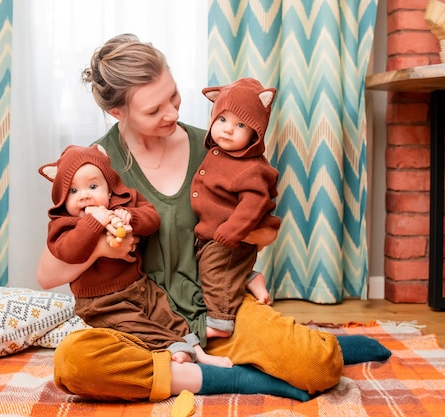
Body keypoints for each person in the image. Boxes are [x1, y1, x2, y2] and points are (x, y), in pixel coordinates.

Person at [36, 33, 389, 403]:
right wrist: (101, 252)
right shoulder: (94, 168)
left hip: (219, 310)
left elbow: (262, 228)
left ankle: (287, 350)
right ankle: (224, 377)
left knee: (317, 366)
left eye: (173, 96)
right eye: (154, 110)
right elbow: (47, 275)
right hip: (141, 327)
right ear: (117, 112)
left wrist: (242, 263)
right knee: (75, 364)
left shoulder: (219, 149)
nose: (172, 113)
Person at [38, 143, 232, 368]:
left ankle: (199, 353)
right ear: (62, 198)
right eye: (73, 191)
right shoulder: (63, 225)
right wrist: (94, 222)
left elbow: (152, 218)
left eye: (93, 186)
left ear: (109, 190)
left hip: (139, 285)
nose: (84, 197)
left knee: (169, 316)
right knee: (137, 326)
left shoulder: (122, 203)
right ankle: (174, 351)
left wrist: (130, 216)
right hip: (101, 302)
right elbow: (70, 251)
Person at [191, 78, 281, 339]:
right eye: (222, 120)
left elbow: (254, 204)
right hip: (212, 233)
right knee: (205, 268)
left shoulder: (251, 167)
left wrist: (232, 231)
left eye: (240, 124)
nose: (228, 130)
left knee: (214, 273)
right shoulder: (218, 152)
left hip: (231, 236)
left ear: (255, 133)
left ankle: (220, 322)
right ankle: (249, 278)